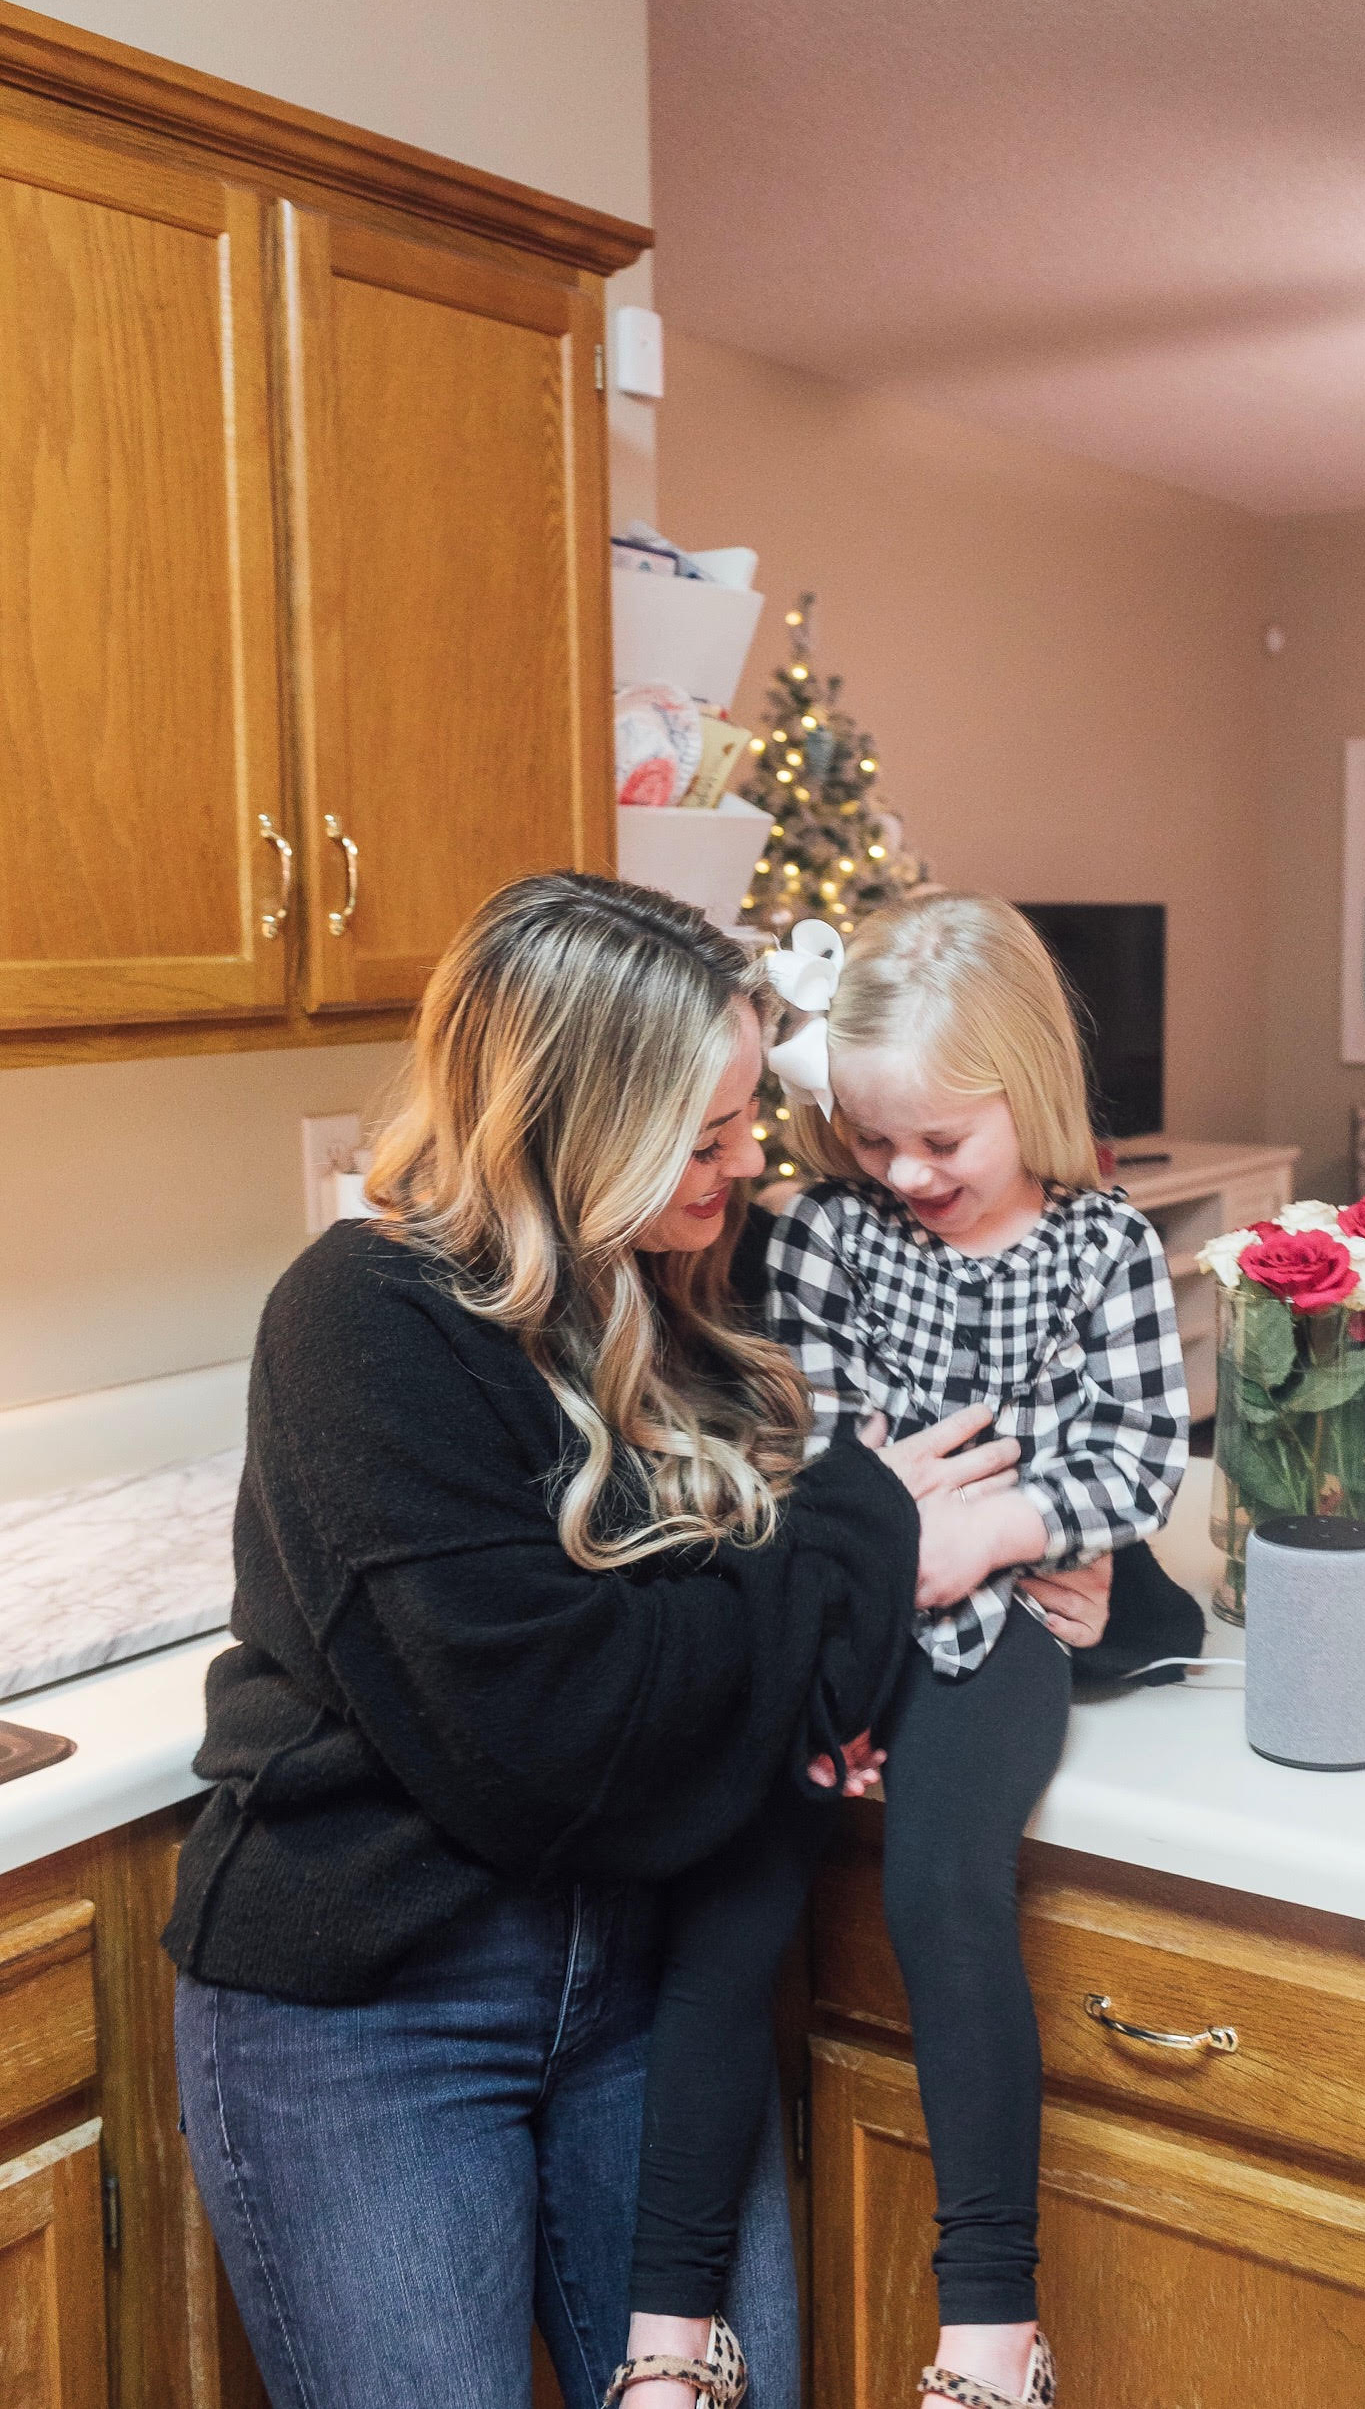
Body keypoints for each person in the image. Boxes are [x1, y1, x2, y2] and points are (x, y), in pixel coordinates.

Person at [165, 872, 1112, 2409]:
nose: (751, 1166)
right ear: (575, 1117)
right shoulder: (363, 1325)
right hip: (377, 2007)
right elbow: (562, 1733)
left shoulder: (696, 1287)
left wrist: (1061, 1553)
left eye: (751, 1118)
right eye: (709, 1131)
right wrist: (871, 1543)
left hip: (650, 1992)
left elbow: (864, 1586)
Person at [614, 896, 1192, 2409]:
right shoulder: (822, 1235)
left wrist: (989, 1535)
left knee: (946, 1890)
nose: (909, 1175)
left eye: (942, 1141)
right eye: (876, 1145)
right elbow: (810, 1441)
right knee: (728, 1900)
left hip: (996, 1638)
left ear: (1030, 1091)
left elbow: (1135, 1466)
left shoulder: (1106, 1251)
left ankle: (991, 2333)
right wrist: (882, 1579)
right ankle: (669, 2339)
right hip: (828, 1622)